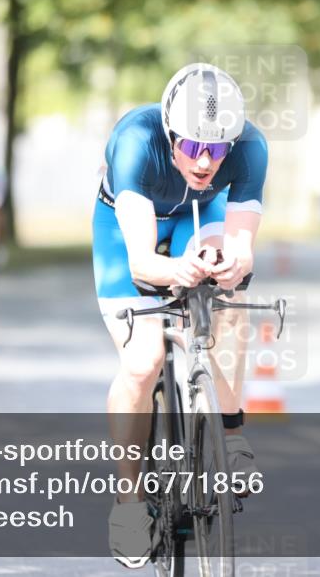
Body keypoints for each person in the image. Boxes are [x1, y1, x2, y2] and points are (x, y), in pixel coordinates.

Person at [92, 63, 268, 568]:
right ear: (170, 133)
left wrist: (231, 263)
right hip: (127, 228)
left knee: (229, 297)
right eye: (192, 147)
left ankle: (230, 434)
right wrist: (175, 270)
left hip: (200, 218)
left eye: (217, 150)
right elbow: (143, 262)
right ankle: (128, 504)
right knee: (144, 360)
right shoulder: (135, 141)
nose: (205, 162)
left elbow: (243, 245)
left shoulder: (250, 147)